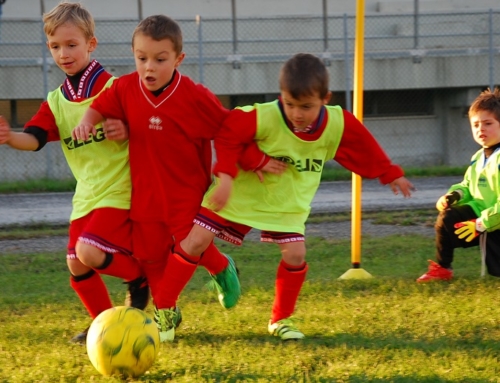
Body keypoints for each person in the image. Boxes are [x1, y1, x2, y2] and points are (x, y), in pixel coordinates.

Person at [178, 53, 415, 340]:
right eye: (290, 104)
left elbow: (363, 146)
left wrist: (390, 172)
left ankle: (280, 320)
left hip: (286, 203)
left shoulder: (338, 123)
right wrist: (234, 172)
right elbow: (230, 133)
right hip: (243, 191)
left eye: (307, 106)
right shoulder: (266, 114)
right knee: (194, 240)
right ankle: (165, 311)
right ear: (281, 96)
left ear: (325, 98)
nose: (298, 114)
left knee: (296, 254)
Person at [71, 14, 278, 343]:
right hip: (145, 195)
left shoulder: (194, 96)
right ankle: (170, 307)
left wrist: (257, 160)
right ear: (134, 55)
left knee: (188, 245)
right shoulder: (125, 87)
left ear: (178, 59)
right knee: (151, 254)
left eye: (159, 59)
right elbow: (102, 105)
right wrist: (88, 120)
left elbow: (229, 129)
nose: (149, 67)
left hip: (186, 194)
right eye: (141, 59)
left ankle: (221, 268)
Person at [0, 2, 149, 343]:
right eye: (55, 47)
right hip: (87, 194)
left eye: (71, 45)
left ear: (90, 44)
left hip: (121, 190)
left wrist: (124, 130)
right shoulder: (56, 101)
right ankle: (104, 325)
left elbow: (145, 128)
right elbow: (35, 138)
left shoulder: (114, 87)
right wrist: (10, 138)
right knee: (76, 265)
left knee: (89, 252)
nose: (63, 53)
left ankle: (140, 278)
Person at [417, 88, 500, 283]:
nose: (481, 129)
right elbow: (468, 185)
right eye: (476, 124)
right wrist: (454, 196)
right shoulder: (478, 157)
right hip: (483, 218)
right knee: (447, 217)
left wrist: (480, 224)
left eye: (488, 123)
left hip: (493, 221)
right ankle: (443, 268)